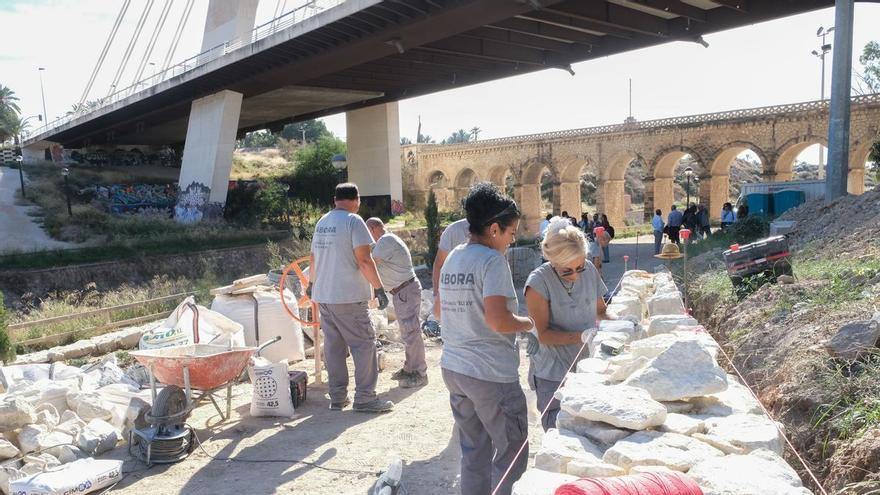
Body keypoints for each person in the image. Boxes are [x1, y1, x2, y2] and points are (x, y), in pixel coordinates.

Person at [438, 182, 533, 495]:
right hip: (490, 374)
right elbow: (498, 320)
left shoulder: (454, 256)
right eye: (510, 233)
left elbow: (445, 311)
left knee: (474, 450)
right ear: (494, 229)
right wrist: (529, 324)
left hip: (455, 369)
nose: (511, 240)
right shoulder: (492, 261)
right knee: (512, 452)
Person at [309, 183, 394, 413]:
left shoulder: (322, 222)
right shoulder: (353, 221)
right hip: (347, 296)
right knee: (364, 345)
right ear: (356, 199)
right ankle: (366, 398)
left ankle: (337, 398)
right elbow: (364, 260)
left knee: (334, 348)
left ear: (335, 199)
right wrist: (378, 288)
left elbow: (313, 258)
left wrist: (310, 284)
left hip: (324, 296)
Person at [524, 218, 608, 430]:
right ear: (551, 261)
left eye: (578, 268)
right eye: (566, 271)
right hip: (553, 373)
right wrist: (580, 336)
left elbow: (601, 311)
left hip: (587, 369)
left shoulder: (589, 270)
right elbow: (542, 333)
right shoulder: (537, 283)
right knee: (560, 432)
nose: (575, 276)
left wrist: (624, 324)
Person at [366, 217, 427, 389]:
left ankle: (420, 373)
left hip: (405, 291)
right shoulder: (385, 241)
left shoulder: (386, 241)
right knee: (408, 331)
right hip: (402, 292)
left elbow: (369, 261)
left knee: (411, 332)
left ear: (372, 229)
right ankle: (409, 368)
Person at [432, 217, 471, 317]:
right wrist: (436, 296)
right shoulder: (453, 230)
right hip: (455, 302)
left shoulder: (497, 230)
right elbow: (439, 265)